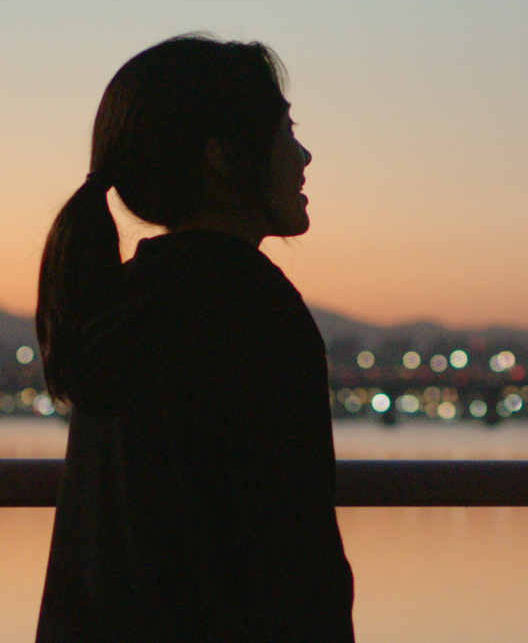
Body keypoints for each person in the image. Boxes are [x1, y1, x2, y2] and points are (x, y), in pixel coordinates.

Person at [35, 35, 355, 641]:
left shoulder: (126, 300)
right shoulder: (250, 311)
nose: (304, 153)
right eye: (285, 129)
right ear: (223, 157)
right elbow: (292, 564)